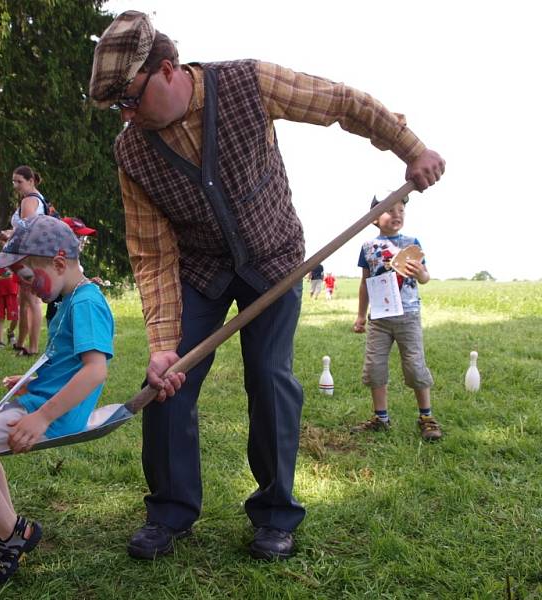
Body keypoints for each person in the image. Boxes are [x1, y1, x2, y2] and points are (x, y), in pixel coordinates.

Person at [88, 10, 446, 561]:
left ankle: (276, 515)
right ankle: (169, 511)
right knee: (167, 381)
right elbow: (152, 253)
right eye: (118, 108)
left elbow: (341, 102)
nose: (127, 116)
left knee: (270, 377)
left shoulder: (247, 83)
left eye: (130, 100)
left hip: (274, 261)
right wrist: (162, 345)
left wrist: (409, 148)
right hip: (201, 271)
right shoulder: (131, 151)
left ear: (165, 69)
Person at [0, 215, 114, 586]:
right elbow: (64, 360)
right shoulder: (69, 299)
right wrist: (33, 378)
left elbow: (95, 371)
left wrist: (42, 418)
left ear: (60, 263)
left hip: (52, 415)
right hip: (39, 402)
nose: (25, 287)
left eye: (27, 277)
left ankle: (13, 531)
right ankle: (6, 530)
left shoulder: (86, 303)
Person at [351, 195, 441, 441]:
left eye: (401, 209)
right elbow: (365, 283)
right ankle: (381, 418)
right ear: (374, 219)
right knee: (375, 367)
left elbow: (424, 278)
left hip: (408, 315)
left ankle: (426, 417)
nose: (397, 214)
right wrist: (361, 315)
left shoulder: (412, 243)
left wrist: (422, 272)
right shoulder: (368, 247)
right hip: (379, 318)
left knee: (414, 364)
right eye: (389, 210)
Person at [10, 165, 47, 357]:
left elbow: (26, 229)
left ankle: (32, 347)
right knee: (23, 300)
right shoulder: (37, 198)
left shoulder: (29, 200)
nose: (16, 185)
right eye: (14, 181)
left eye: (20, 182)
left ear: (31, 181)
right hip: (34, 254)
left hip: (29, 256)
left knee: (32, 300)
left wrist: (8, 235)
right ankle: (21, 342)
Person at [0, 266, 19, 349]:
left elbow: (20, 275)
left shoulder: (14, 259)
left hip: (13, 293)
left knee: (15, 317)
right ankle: (0, 341)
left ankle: (10, 331)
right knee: (0, 318)